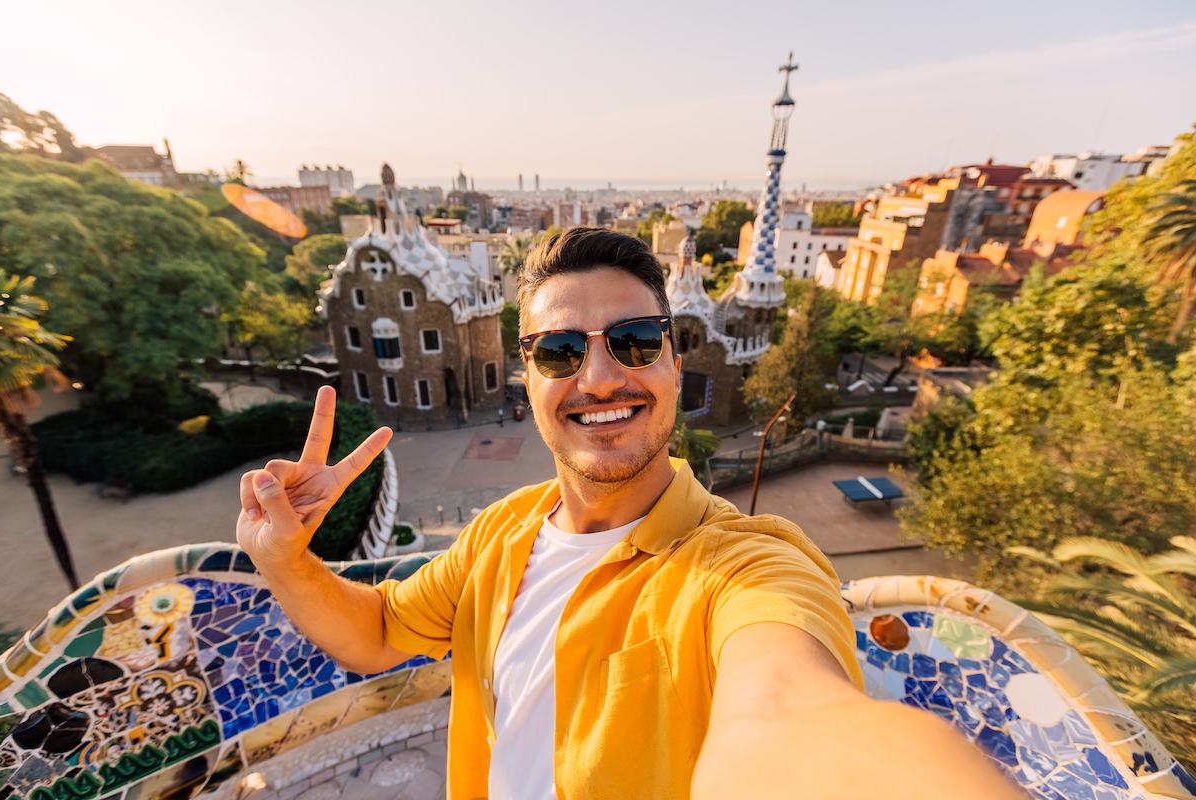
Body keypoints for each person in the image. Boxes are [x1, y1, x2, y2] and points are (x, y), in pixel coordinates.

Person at [238, 228, 1021, 800]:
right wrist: (285, 558)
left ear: (677, 363)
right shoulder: (501, 533)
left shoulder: (746, 566)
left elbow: (787, 710)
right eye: (558, 352)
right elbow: (375, 632)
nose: (601, 376)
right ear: (528, 380)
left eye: (637, 341)